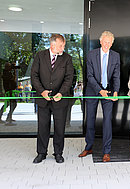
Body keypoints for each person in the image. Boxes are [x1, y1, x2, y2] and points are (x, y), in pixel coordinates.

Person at [31, 34, 74, 163]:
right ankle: (41, 153)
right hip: (43, 99)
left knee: (60, 128)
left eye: (64, 45)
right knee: (42, 127)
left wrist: (61, 93)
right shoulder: (40, 56)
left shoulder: (67, 58)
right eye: (61, 45)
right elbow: (34, 75)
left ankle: (58, 153)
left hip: (60, 99)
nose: (63, 47)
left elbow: (69, 78)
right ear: (52, 45)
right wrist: (42, 91)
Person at [78, 31, 120, 162]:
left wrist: (115, 92)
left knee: (107, 121)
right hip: (92, 90)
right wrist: (99, 90)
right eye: (105, 41)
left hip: (108, 91)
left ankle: (106, 151)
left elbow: (116, 76)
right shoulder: (91, 54)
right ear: (100, 42)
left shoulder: (115, 56)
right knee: (90, 120)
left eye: (109, 42)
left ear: (112, 43)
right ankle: (89, 147)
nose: (107, 44)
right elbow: (89, 76)